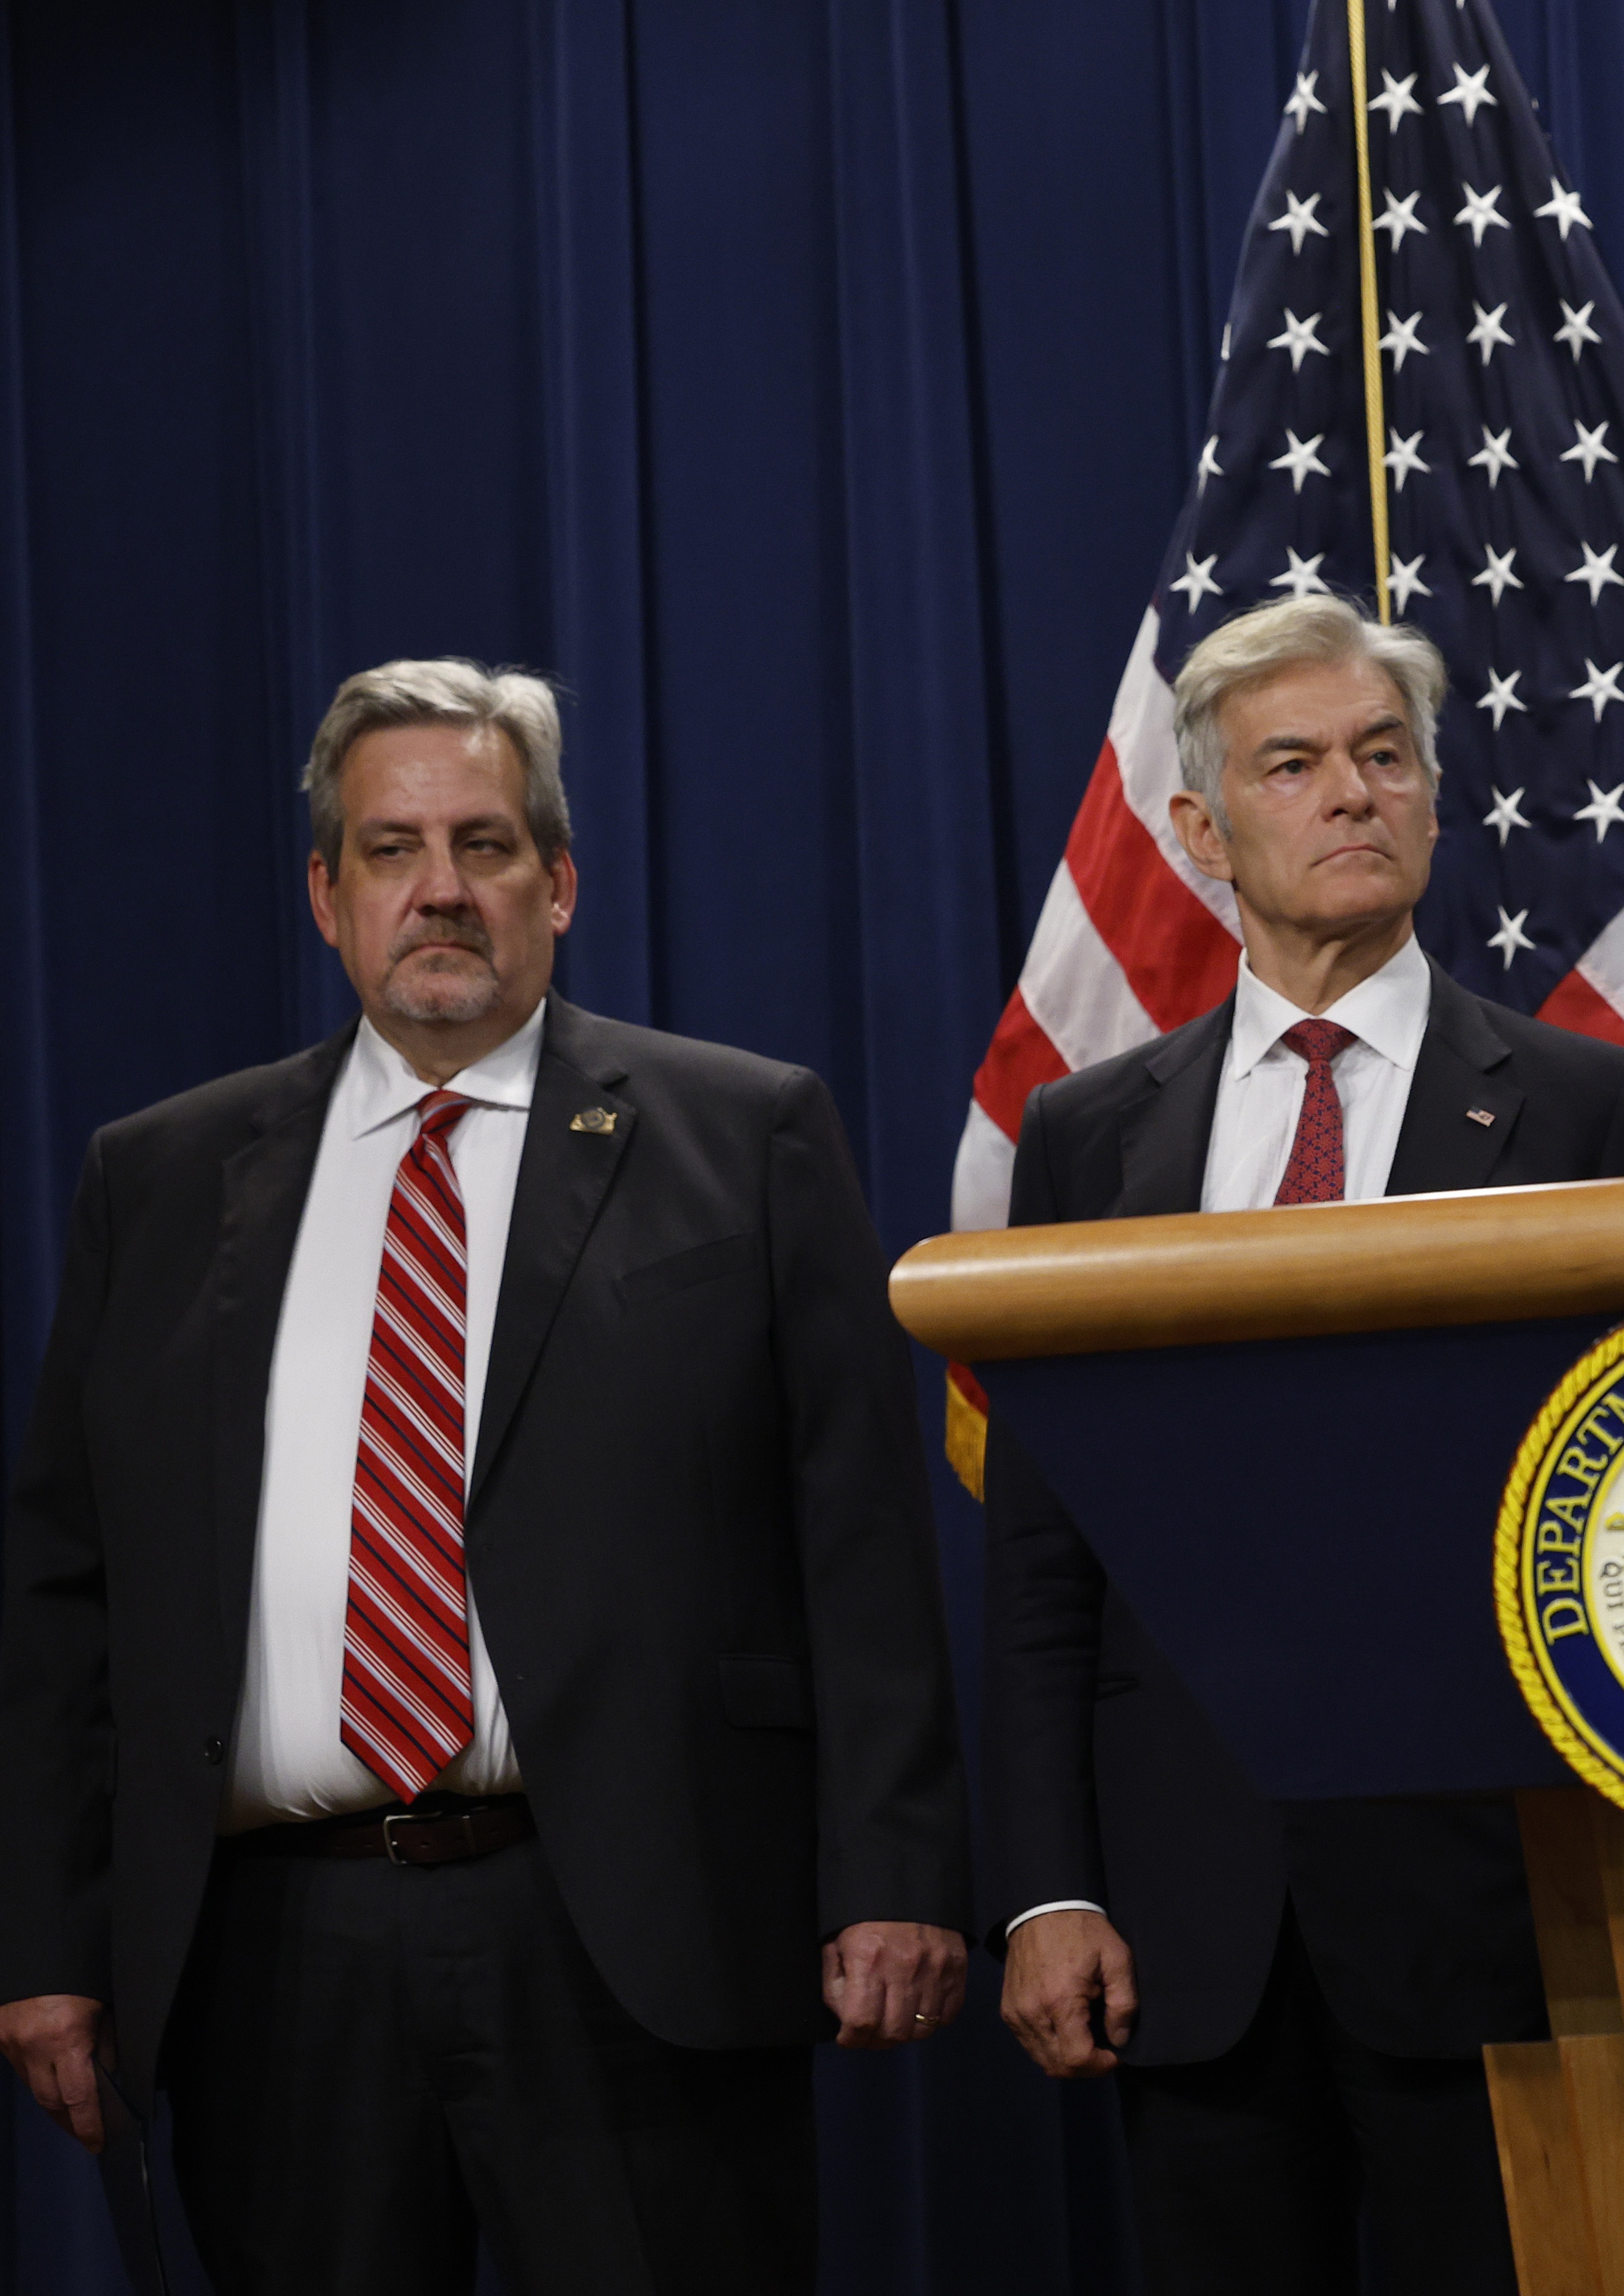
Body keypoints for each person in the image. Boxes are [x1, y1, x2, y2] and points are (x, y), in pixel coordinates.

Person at [0, 660, 971, 2294]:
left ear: (560, 880)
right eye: (391, 849)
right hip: (272, 1957)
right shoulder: (159, 1177)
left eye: (486, 842)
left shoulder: (744, 1134)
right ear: (327, 894)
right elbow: (63, 1592)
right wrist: (49, 1944)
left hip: (628, 1928)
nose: (440, 888)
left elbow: (858, 1541)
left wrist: (893, 1873)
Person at [987, 594, 1624, 2294]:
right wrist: (1046, 1888)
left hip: (1499, 1901)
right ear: (1206, 831)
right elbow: (1043, 1558)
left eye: (1384, 757)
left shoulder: (1592, 1113)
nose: (1351, 794)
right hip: (1186, 1920)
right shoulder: (1091, 1135)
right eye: (1294, 766)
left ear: (1436, 802)